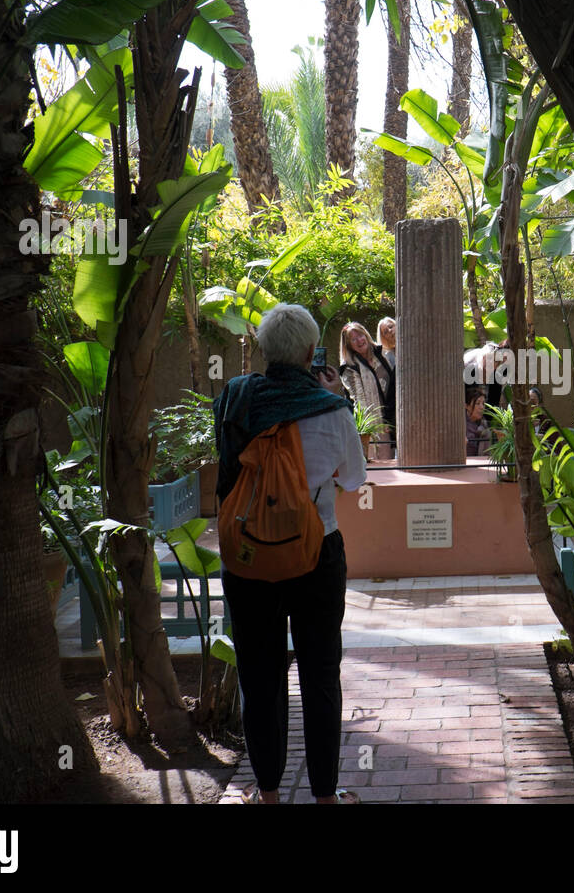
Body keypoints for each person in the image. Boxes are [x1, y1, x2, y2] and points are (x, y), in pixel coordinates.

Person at [213, 303, 366, 805]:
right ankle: (325, 796)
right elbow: (355, 479)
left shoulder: (235, 399)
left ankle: (269, 793)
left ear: (263, 349)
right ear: (308, 352)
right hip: (316, 553)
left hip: (249, 558)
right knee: (321, 674)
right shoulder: (332, 410)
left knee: (260, 676)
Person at [338, 321, 395, 460]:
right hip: (373, 427)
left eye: (360, 335)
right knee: (379, 465)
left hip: (392, 420)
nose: (359, 340)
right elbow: (359, 401)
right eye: (353, 339)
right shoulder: (349, 367)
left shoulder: (382, 354)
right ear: (349, 345)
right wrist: (372, 429)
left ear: (366, 334)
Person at [465, 386, 492, 456]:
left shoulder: (484, 425)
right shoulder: (461, 424)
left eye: (483, 403)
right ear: (467, 406)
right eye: (478, 403)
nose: (482, 407)